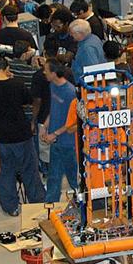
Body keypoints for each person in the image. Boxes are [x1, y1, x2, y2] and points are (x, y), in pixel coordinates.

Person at [0, 56, 45, 216]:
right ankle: (38, 202)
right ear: (7, 68)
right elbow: (28, 101)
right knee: (30, 170)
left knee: (4, 174)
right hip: (21, 133)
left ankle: (11, 207)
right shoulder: (18, 84)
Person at [41, 63, 80, 202]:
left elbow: (74, 121)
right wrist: (45, 126)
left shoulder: (70, 92)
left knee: (73, 178)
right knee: (53, 176)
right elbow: (53, 109)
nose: (44, 72)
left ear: (53, 73)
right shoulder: (52, 86)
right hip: (56, 141)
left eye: (46, 70)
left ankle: (83, 203)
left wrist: (55, 134)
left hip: (68, 143)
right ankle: (50, 207)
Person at [69, 18, 107, 83]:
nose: (70, 35)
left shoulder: (87, 49)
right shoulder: (94, 38)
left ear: (80, 34)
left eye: (72, 33)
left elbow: (92, 72)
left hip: (84, 83)